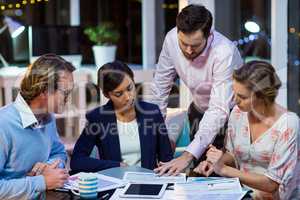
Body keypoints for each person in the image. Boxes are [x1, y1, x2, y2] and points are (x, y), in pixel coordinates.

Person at [152, 4, 243, 175]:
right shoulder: (171, 39)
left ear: (209, 35)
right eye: (184, 43)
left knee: (220, 176)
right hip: (198, 111)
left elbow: (218, 109)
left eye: (195, 45)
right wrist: (155, 132)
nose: (188, 50)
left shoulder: (224, 52)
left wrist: (187, 155)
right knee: (197, 176)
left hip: (231, 118)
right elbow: (160, 87)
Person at [194, 61, 300, 199]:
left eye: (242, 97)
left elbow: (272, 184)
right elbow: (233, 154)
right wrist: (216, 163)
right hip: (241, 194)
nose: (235, 101)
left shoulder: (288, 124)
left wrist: (224, 169)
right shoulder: (238, 113)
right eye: (235, 93)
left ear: (263, 96)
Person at [70, 61, 173, 173]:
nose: (128, 97)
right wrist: (115, 166)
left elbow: (166, 160)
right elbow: (77, 161)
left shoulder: (152, 113)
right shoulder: (98, 118)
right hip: (115, 184)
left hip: (148, 184)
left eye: (129, 88)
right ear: (106, 95)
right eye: (119, 94)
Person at [0, 53, 75, 199]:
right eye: (65, 93)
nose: (68, 99)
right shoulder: (3, 125)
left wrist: (49, 167)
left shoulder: (47, 117)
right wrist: (42, 181)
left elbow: (59, 152)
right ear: (44, 91)